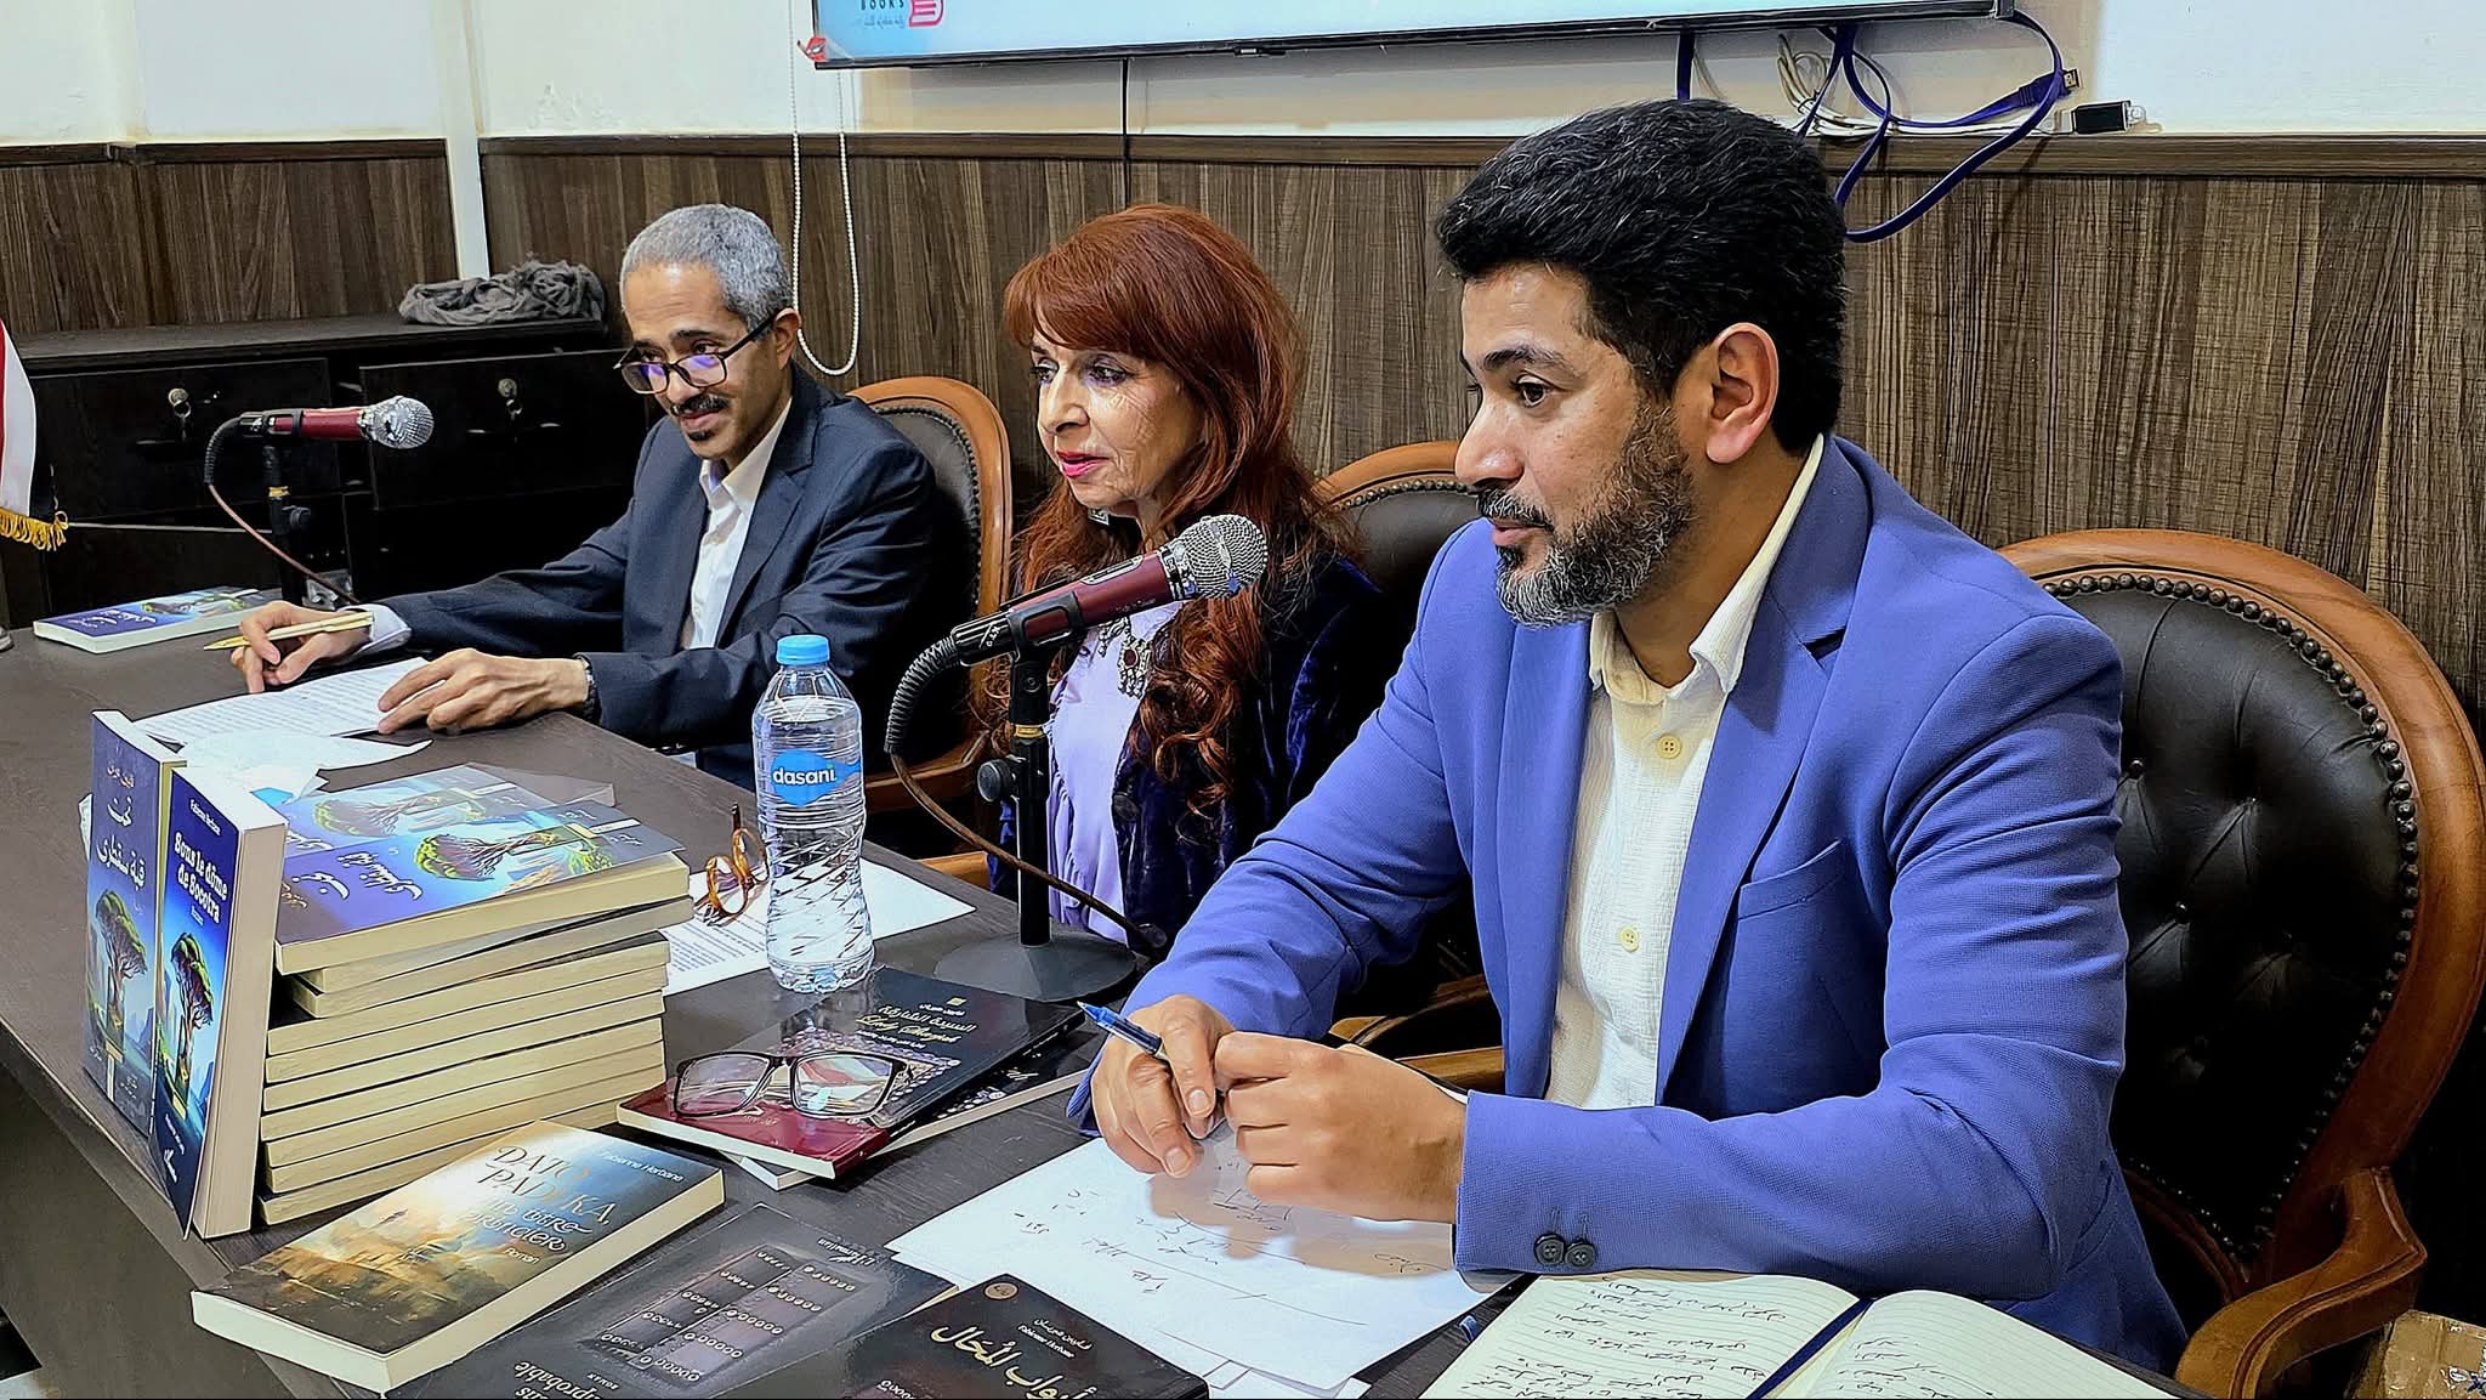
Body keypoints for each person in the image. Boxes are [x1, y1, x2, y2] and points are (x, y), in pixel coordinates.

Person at [1082, 101, 2187, 1368]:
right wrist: (1188, 1006)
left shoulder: (1981, 672)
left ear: (1728, 392)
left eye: (1530, 390)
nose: (1475, 452)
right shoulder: (1488, 599)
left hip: (1891, 1330)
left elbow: (1992, 1170)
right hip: (1557, 1300)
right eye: (1479, 389)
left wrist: (1462, 1156)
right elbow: (1319, 876)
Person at [227, 204, 970, 788]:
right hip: (639, 765)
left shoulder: (871, 473)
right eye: (650, 361)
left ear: (780, 338)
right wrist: (371, 623)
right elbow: (580, 585)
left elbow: (784, 671)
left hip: (779, 800)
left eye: (701, 352)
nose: (675, 391)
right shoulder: (671, 453)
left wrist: (575, 680)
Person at [996, 203, 1393, 959]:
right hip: (1040, 984)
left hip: (1188, 1012)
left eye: (1105, 373)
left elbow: (1337, 912)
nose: (1055, 414)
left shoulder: (1314, 620)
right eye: (1047, 370)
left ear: (1214, 394)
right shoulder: (1062, 570)